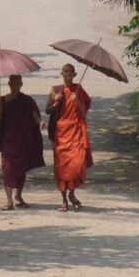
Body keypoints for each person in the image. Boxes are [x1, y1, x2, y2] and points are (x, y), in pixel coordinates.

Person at [46, 63, 92, 211]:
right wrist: (55, 101)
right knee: (61, 168)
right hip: (61, 133)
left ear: (74, 75)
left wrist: (76, 100)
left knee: (77, 165)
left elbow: (83, 113)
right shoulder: (55, 90)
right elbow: (47, 110)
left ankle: (72, 194)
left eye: (70, 72)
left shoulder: (78, 90)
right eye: (65, 72)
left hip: (75, 133)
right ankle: (64, 200)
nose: (67, 74)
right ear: (62, 73)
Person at [0, 74, 45, 210]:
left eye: (18, 83)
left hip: (23, 139)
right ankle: (9, 200)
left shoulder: (27, 100)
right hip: (8, 140)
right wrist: (0, 109)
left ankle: (18, 196)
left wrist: (41, 123)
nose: (15, 86)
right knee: (7, 169)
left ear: (21, 84)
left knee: (21, 170)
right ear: (9, 84)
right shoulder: (2, 100)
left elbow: (35, 116)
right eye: (13, 83)